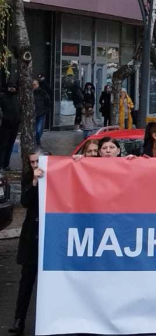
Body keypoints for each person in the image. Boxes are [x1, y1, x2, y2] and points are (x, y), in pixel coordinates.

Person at [11, 151, 41, 336]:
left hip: (51, 237)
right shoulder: (29, 179)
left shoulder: (59, 174)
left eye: (38, 160)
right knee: (26, 281)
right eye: (32, 162)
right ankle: (19, 319)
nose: (35, 164)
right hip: (32, 237)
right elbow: (25, 202)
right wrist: (35, 183)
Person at [0, 82, 20, 170]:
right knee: (3, 145)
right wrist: (3, 118)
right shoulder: (2, 97)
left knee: (10, 145)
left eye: (13, 87)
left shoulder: (16, 98)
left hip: (15, 125)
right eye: (10, 87)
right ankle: (1, 164)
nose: (12, 89)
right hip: (5, 125)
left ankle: (6, 164)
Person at [32, 80, 51, 149]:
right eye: (32, 85)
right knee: (35, 129)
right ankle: (36, 142)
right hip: (33, 113)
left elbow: (47, 101)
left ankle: (37, 142)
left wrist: (45, 110)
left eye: (34, 84)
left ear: (37, 85)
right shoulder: (30, 93)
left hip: (40, 113)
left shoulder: (42, 92)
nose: (33, 86)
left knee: (38, 129)